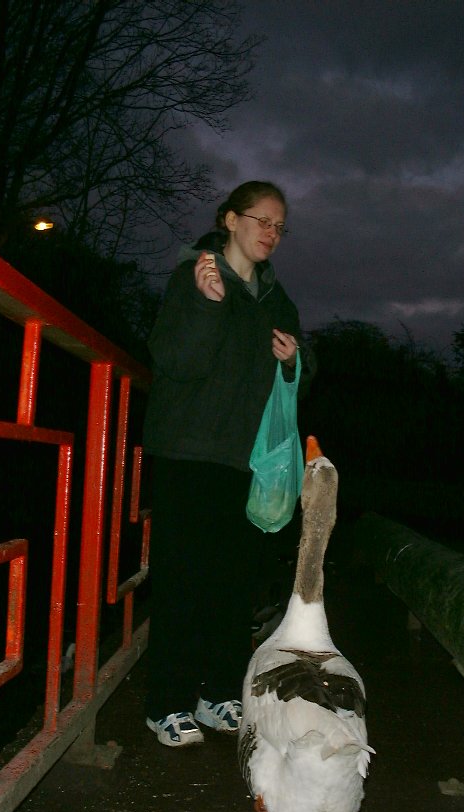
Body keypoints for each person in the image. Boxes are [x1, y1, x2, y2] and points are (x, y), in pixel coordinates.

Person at [142, 180, 315, 747]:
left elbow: (299, 376)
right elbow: (175, 362)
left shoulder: (278, 299)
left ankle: (217, 692)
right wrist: (206, 305)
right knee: (183, 580)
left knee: (233, 585)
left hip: (246, 463)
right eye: (261, 220)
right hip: (189, 451)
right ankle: (164, 702)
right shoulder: (195, 278)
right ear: (230, 220)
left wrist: (295, 362)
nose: (271, 233)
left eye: (279, 226)